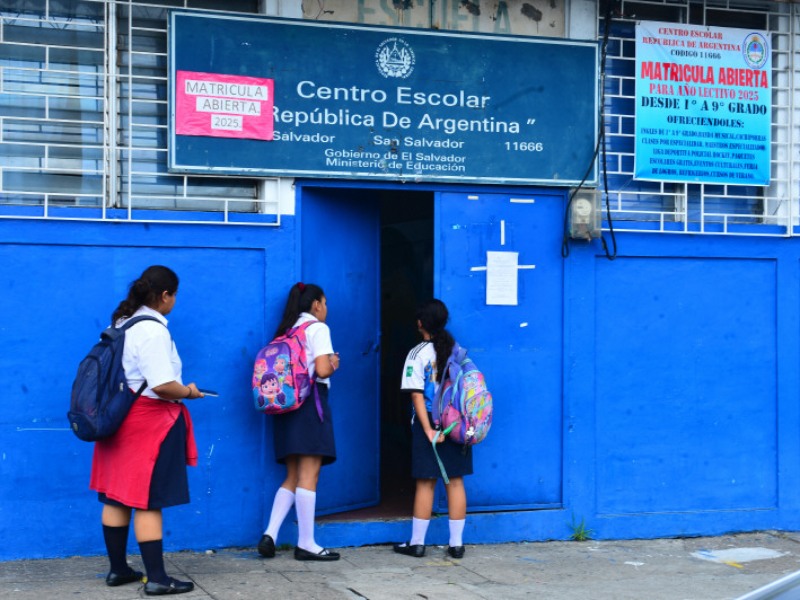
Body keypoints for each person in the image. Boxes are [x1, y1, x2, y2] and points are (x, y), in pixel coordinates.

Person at [89, 265, 205, 596]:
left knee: (116, 494)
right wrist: (190, 392)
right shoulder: (153, 331)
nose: (174, 302)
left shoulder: (121, 323)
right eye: (174, 295)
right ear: (165, 295)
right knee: (148, 500)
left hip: (118, 418)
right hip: (151, 422)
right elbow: (164, 386)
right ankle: (156, 577)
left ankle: (118, 570)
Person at [257, 282, 341, 561]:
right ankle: (306, 543)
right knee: (309, 475)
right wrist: (333, 363)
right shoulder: (318, 328)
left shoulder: (287, 331)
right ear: (316, 304)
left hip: (286, 405)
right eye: (325, 302)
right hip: (310, 404)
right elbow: (321, 369)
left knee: (292, 475)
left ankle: (270, 533)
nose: (326, 308)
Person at [394, 299, 472, 560]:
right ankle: (457, 544)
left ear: (420, 324)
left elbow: (416, 396)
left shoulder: (417, 354)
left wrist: (428, 429)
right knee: (456, 481)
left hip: (429, 420)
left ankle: (417, 544)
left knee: (426, 483)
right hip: (456, 421)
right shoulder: (457, 350)